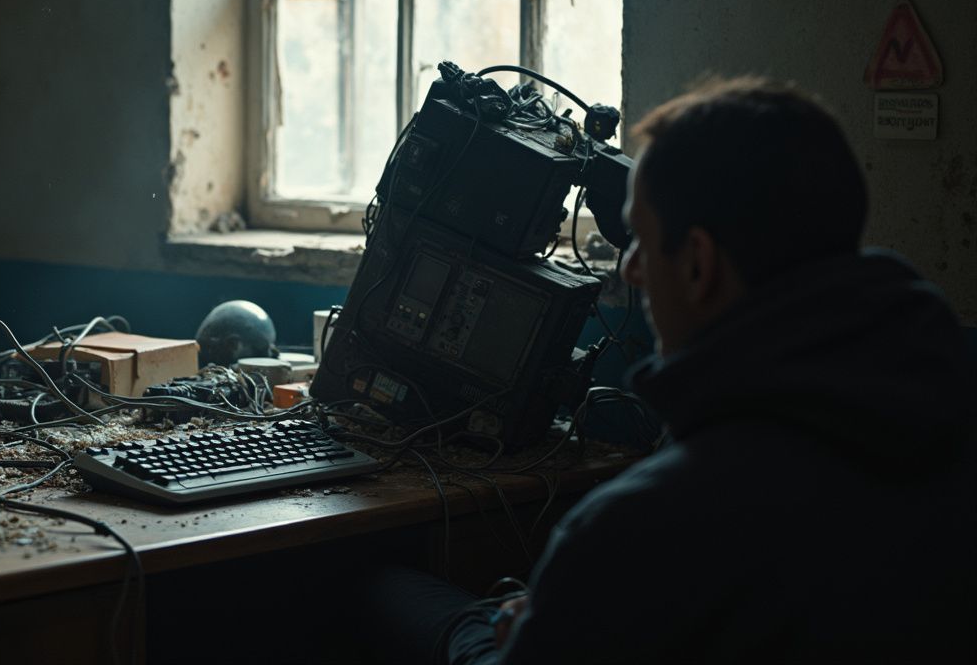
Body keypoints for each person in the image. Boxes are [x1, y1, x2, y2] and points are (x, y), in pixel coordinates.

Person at [366, 77, 976, 664]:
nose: (631, 271)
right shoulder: (944, 431)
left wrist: (502, 628)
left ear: (697, 264)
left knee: (383, 588)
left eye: (644, 243)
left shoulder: (643, 525)